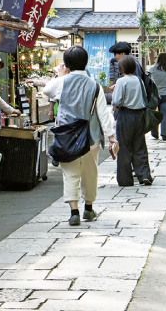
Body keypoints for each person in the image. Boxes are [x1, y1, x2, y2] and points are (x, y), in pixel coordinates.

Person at [54, 46, 117, 226]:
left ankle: (74, 212)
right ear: (86, 62)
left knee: (70, 173)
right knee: (90, 172)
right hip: (91, 137)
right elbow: (104, 114)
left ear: (66, 64)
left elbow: (47, 91)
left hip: (67, 137)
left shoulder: (61, 82)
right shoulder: (95, 86)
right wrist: (111, 136)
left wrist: (60, 76)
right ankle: (88, 209)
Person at [110, 55, 154, 186]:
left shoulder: (121, 82)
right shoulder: (138, 80)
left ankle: (125, 179)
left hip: (125, 115)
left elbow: (117, 101)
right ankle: (144, 175)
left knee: (124, 147)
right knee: (140, 145)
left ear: (121, 68)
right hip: (139, 115)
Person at [148, 52, 166, 141]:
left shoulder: (152, 69)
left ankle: (154, 133)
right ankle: (164, 133)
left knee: (155, 114)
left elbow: (147, 80)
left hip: (155, 95)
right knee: (164, 115)